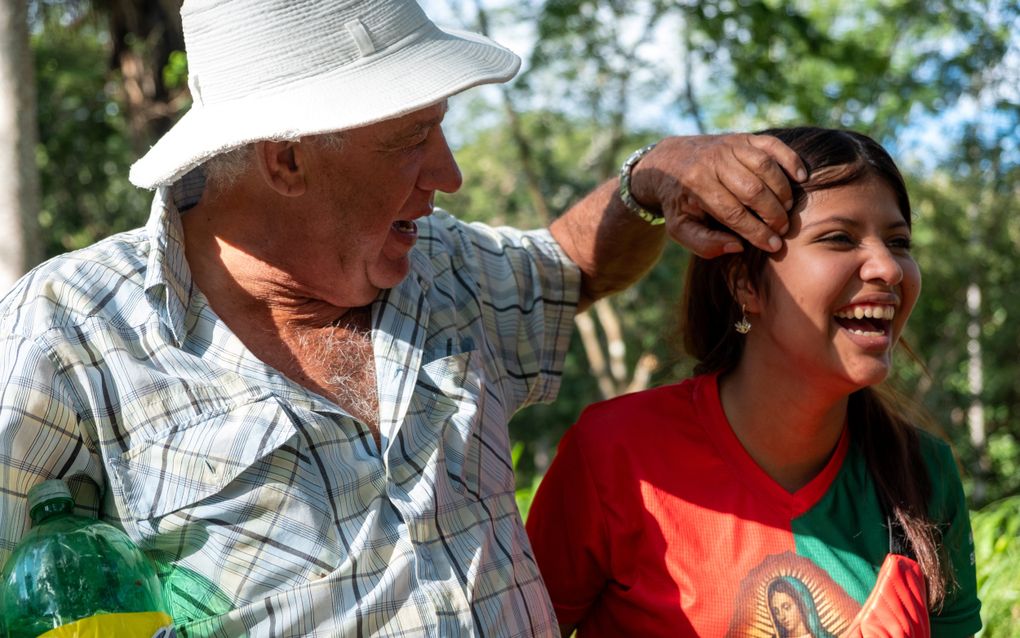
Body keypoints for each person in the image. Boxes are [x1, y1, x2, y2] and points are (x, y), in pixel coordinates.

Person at [0, 0, 809, 636]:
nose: (449, 174)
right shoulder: (73, 331)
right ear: (287, 158)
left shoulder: (445, 265)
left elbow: (571, 267)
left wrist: (649, 182)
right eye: (413, 137)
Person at [525, 127, 983, 637]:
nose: (888, 268)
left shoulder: (924, 472)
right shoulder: (616, 454)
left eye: (898, 242)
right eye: (839, 238)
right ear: (745, 283)